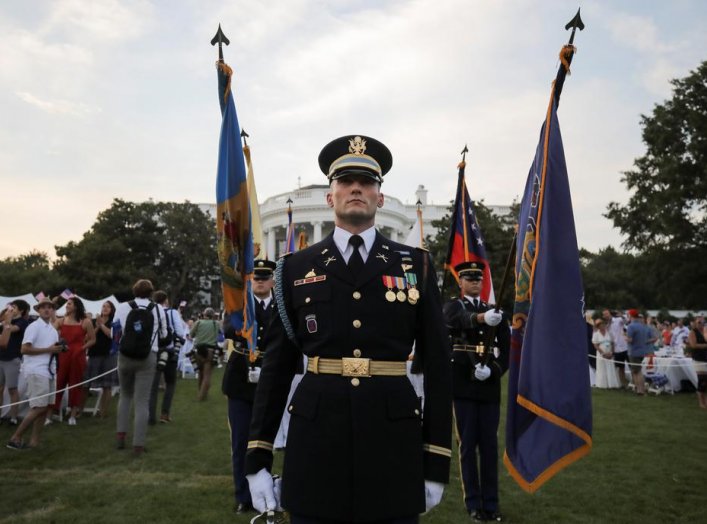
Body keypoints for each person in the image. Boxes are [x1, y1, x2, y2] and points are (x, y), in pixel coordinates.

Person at [245, 135, 452, 524]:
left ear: (380, 197)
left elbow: (438, 369)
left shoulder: (415, 266)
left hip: (392, 439)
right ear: (330, 196)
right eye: (344, 180)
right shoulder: (293, 268)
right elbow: (276, 368)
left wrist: (436, 461)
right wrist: (257, 456)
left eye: (367, 181)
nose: (356, 187)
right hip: (316, 438)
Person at [443, 261, 508, 522]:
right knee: (468, 445)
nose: (474, 283)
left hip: (487, 384)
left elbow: (506, 349)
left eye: (478, 280)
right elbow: (453, 320)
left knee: (490, 446)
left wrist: (494, 370)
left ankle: (491, 504)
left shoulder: (496, 311)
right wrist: (481, 318)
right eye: (469, 279)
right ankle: (473, 502)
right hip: (463, 384)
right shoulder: (453, 305)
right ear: (460, 283)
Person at [223, 259, 276, 514]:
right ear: (249, 280)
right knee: (241, 440)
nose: (260, 280)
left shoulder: (281, 305)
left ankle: (264, 493)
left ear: (273, 280)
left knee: (264, 442)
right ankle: (244, 496)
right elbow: (229, 329)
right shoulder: (239, 304)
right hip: (241, 379)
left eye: (265, 277)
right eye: (256, 277)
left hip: (270, 378)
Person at [113, 279, 167, 455]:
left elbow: (115, 330)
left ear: (134, 291)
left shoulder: (122, 307)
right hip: (148, 355)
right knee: (142, 401)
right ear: (151, 292)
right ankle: (138, 444)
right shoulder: (158, 309)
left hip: (125, 355)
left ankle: (121, 436)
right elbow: (164, 334)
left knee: (125, 395)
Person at [6, 298, 62, 449]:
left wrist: (58, 350)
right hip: (36, 370)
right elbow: (24, 349)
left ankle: (34, 442)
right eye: (43, 307)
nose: (46, 309)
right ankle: (15, 438)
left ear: (53, 310)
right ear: (38, 310)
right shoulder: (33, 326)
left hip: (49, 371)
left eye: (49, 307)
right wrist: (49, 349)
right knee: (39, 407)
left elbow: (53, 351)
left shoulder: (53, 330)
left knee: (45, 407)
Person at [53, 296, 96, 425]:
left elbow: (93, 339)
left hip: (78, 356)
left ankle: (72, 415)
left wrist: (82, 348)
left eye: (69, 304)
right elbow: (50, 330)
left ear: (76, 306)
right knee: (59, 383)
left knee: (75, 384)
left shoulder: (85, 321)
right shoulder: (61, 320)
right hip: (64, 354)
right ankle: (52, 413)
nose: (67, 306)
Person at [149, 290, 187, 424]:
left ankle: (150, 416)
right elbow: (180, 332)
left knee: (153, 384)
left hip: (154, 350)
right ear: (166, 300)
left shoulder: (150, 312)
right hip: (170, 350)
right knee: (170, 383)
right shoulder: (172, 312)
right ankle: (164, 414)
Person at [84, 300, 119, 418]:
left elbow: (111, 335)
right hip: (94, 354)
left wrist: (102, 325)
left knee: (107, 385)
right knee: (86, 383)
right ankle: (79, 409)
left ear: (112, 309)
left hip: (109, 356)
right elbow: (88, 337)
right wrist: (97, 326)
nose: (105, 308)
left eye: (108, 307)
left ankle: (103, 412)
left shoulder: (114, 322)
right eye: (103, 306)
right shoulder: (93, 321)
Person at [0, 300, 31, 425]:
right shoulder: (6, 321)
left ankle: (13, 417)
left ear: (21, 310)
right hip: (1, 358)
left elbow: (11, 329)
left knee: (12, 389)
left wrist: (6, 320)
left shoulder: (22, 322)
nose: (11, 308)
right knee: (0, 388)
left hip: (12, 359)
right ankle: (1, 414)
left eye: (14, 306)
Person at [190, 307, 221, 401]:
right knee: (207, 375)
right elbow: (218, 334)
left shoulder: (198, 322)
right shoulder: (216, 324)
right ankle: (201, 396)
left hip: (198, 350)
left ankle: (201, 392)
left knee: (200, 372)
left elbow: (191, 335)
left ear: (204, 314)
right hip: (210, 351)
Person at [626, 310, 656, 396]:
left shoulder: (631, 326)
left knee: (638, 371)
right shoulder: (643, 326)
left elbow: (630, 340)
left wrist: (624, 337)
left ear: (631, 316)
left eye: (628, 315)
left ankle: (641, 390)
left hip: (634, 351)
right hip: (642, 351)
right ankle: (638, 389)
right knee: (635, 371)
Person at [603, 309, 629, 389]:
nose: (606, 315)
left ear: (610, 314)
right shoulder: (607, 326)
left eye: (606, 314)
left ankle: (635, 384)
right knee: (620, 368)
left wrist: (621, 315)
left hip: (625, 347)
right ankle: (624, 384)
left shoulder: (618, 320)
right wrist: (610, 350)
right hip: (617, 349)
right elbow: (608, 339)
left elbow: (627, 320)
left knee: (632, 367)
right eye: (604, 315)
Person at [685, 317, 707, 409]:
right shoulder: (692, 332)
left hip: (706, 358)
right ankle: (701, 402)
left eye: (702, 322)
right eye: (699, 322)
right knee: (702, 380)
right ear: (695, 323)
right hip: (698, 359)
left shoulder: (705, 331)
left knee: (706, 381)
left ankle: (705, 401)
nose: (701, 324)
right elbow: (693, 345)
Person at [592, 318, 619, 389]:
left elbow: (613, 343)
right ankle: (602, 385)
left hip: (609, 353)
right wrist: (603, 354)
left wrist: (612, 353)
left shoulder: (609, 333)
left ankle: (611, 384)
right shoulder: (596, 334)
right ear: (598, 326)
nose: (603, 326)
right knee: (602, 368)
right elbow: (595, 345)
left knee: (610, 367)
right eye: (600, 325)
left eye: (603, 324)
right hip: (601, 354)